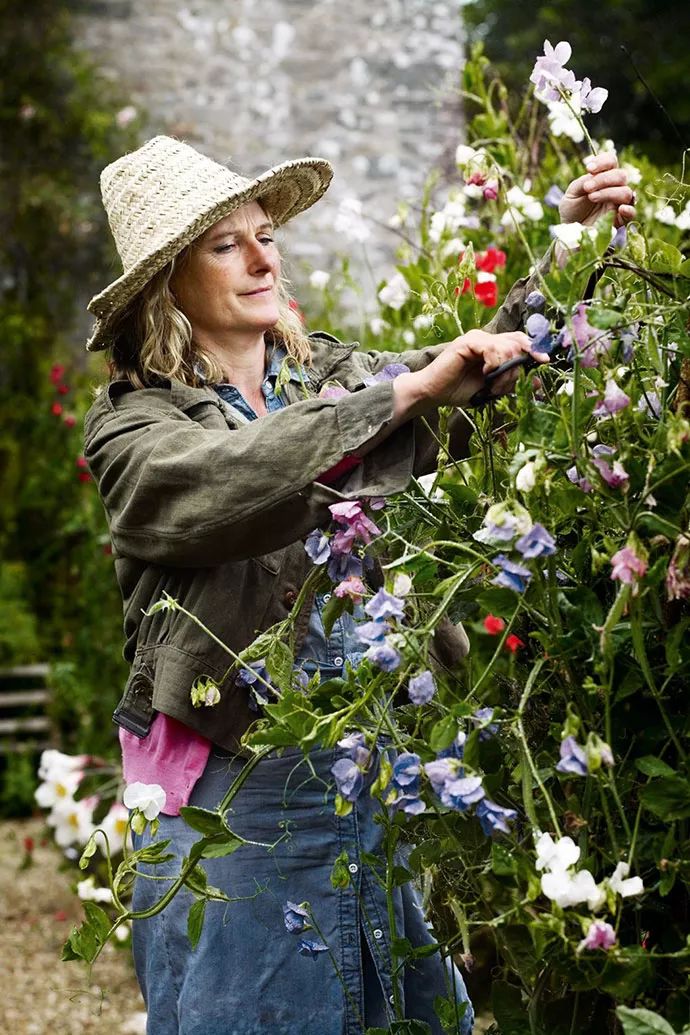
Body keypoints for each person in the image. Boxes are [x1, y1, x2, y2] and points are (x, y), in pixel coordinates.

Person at [84, 135, 635, 1035]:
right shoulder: (134, 429)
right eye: (227, 245)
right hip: (238, 800)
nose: (265, 258)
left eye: (266, 234)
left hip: (358, 776)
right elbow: (236, 482)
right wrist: (403, 397)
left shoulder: (322, 374)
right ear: (167, 284)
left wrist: (565, 254)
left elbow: (466, 376)